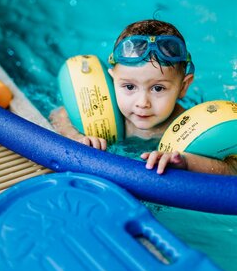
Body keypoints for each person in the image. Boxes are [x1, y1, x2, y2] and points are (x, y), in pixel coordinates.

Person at [50, 19, 237, 175]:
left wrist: (186, 162)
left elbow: (232, 170)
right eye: (129, 86)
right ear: (112, 80)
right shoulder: (105, 109)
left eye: (158, 88)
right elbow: (59, 114)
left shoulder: (190, 128)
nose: (142, 103)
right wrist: (77, 137)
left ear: (183, 87)